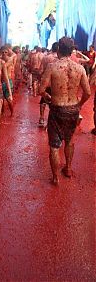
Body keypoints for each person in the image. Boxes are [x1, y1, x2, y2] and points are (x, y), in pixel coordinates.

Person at [39, 37, 91, 185]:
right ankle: (68, 168)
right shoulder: (79, 68)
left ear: (58, 50)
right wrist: (79, 104)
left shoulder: (52, 66)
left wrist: (48, 97)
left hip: (57, 108)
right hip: (73, 108)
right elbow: (87, 93)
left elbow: (41, 89)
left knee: (55, 145)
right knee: (69, 140)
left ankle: (55, 178)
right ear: (72, 50)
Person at [39, 42, 59, 126]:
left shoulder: (45, 58)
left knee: (43, 100)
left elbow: (41, 70)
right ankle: (52, 121)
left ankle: (41, 118)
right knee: (54, 103)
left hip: (46, 82)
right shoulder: (59, 59)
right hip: (55, 84)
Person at [0, 45, 14, 116]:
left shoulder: (9, 59)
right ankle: (2, 112)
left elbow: (4, 66)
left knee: (9, 99)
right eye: (3, 52)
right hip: (0, 81)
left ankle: (12, 112)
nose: (4, 53)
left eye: (6, 52)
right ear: (0, 52)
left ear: (8, 52)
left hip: (8, 81)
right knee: (1, 99)